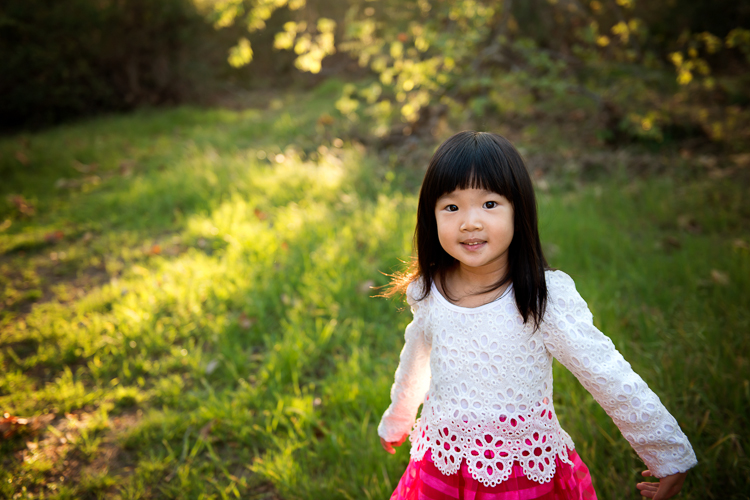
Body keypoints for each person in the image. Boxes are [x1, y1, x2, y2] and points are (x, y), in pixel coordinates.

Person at [377, 131, 697, 500]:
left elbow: (606, 373)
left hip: (520, 471)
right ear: (430, 217)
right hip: (442, 463)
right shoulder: (431, 290)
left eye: (490, 204)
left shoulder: (541, 297)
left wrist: (666, 452)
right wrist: (399, 418)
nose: (470, 222)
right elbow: (417, 359)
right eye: (452, 207)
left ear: (519, 210)